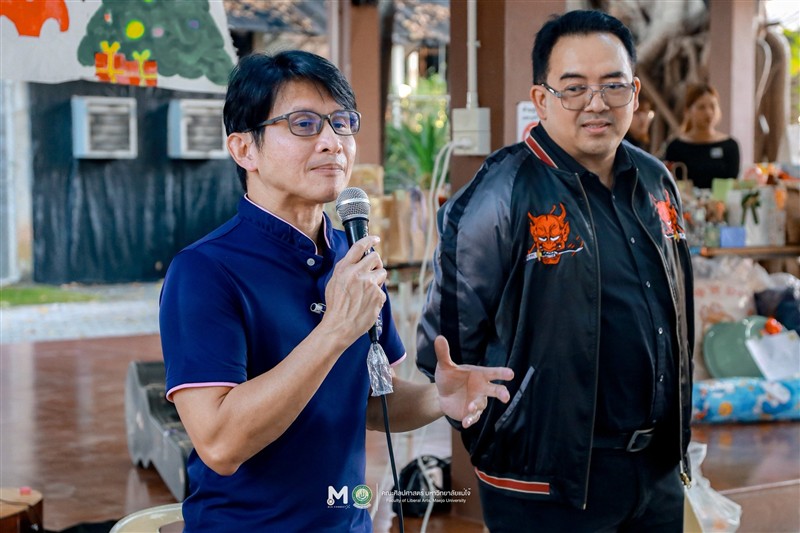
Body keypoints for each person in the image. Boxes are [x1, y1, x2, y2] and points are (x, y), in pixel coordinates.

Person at [159, 50, 513, 532]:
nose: (333, 142)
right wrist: (335, 330)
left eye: (342, 123)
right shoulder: (204, 271)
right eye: (303, 124)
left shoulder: (353, 255)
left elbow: (367, 399)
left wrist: (438, 398)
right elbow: (220, 445)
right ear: (244, 150)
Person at [417, 10, 694, 532]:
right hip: (545, 485)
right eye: (574, 88)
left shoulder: (655, 181)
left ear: (635, 93)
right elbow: (448, 347)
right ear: (541, 99)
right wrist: (499, 433)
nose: (596, 102)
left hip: (655, 471)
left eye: (612, 85)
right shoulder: (500, 192)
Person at [664, 83, 740, 188]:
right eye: (701, 107)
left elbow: (732, 182)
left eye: (712, 106)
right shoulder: (676, 147)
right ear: (688, 111)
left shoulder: (730, 146)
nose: (708, 112)